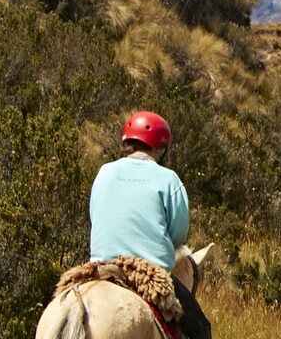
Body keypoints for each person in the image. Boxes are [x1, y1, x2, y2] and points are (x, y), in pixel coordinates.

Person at [89, 111, 210, 338]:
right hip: (148, 272)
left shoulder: (104, 172)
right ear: (160, 148)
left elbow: (95, 216)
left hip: (99, 267)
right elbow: (179, 234)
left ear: (127, 142)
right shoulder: (168, 179)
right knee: (201, 330)